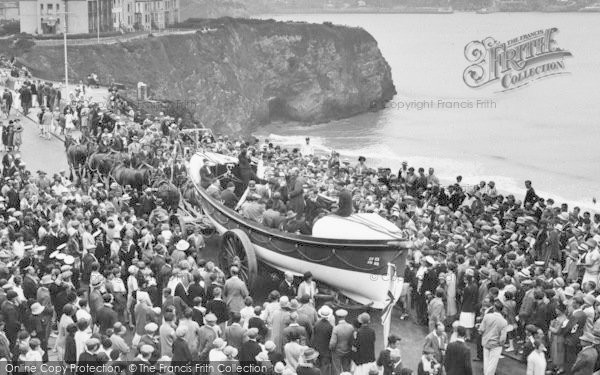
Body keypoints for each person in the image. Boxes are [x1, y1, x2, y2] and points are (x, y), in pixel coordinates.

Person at [479, 300, 508, 375]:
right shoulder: (504, 322)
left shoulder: (487, 316)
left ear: (494, 308)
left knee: (486, 361)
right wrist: (501, 344)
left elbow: (481, 330)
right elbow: (503, 338)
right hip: (496, 345)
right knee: (492, 364)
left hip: (486, 342)